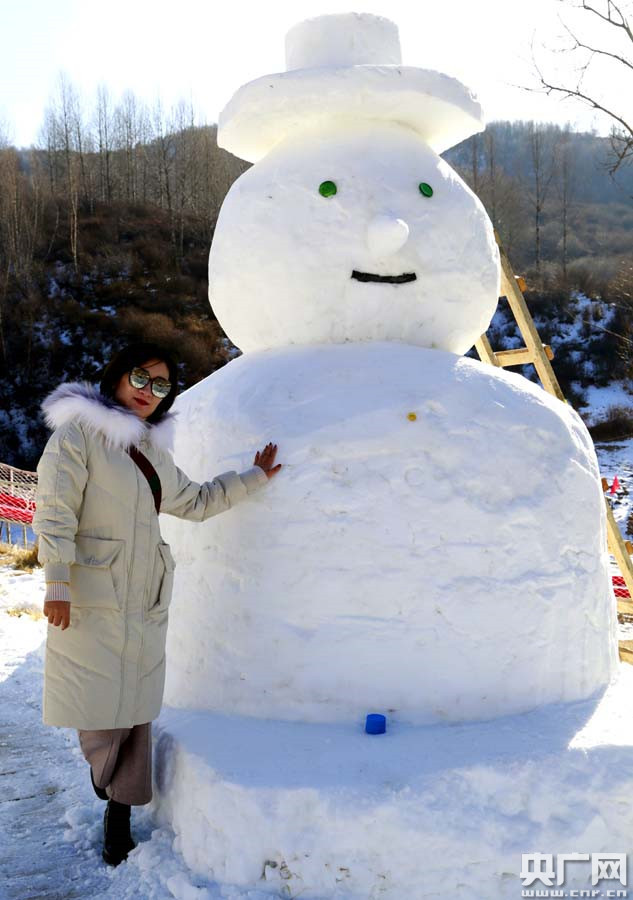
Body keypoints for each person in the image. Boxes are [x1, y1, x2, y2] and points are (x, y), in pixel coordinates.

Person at [32, 342, 281, 867]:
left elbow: (194, 501)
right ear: (118, 376)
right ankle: (105, 782)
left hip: (145, 599)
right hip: (92, 598)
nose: (148, 392)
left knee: (136, 713)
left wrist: (253, 478)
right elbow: (54, 511)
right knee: (99, 711)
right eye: (141, 378)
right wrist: (57, 581)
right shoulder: (78, 435)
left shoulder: (152, 452)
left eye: (162, 385)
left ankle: (118, 817)